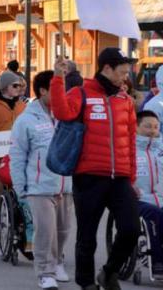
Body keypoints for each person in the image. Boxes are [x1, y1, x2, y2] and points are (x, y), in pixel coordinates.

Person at [51, 48, 140, 289]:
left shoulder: (125, 101)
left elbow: (131, 141)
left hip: (120, 178)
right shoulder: (82, 93)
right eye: (121, 72)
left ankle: (109, 272)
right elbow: (61, 111)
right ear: (107, 68)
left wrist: (132, 179)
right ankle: (87, 283)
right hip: (89, 176)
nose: (125, 77)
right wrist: (58, 79)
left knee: (131, 229)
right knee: (87, 237)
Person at [10, 70, 72, 290]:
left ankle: (57, 262)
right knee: (45, 230)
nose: (61, 93)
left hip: (65, 184)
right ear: (44, 90)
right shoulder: (26, 120)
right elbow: (17, 155)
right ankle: (44, 272)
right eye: (57, 89)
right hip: (39, 186)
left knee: (63, 230)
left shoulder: (67, 116)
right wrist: (20, 188)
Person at [0, 71, 27, 230]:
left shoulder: (22, 106)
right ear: (5, 87)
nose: (18, 88)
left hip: (18, 152)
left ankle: (17, 216)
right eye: (15, 85)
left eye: (20, 85)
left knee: (19, 185)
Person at [133, 111, 163, 278]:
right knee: (156, 214)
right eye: (147, 126)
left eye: (156, 127)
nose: (152, 130)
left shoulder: (161, 148)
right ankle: (158, 260)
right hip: (139, 200)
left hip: (161, 197)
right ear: (136, 127)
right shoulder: (128, 148)